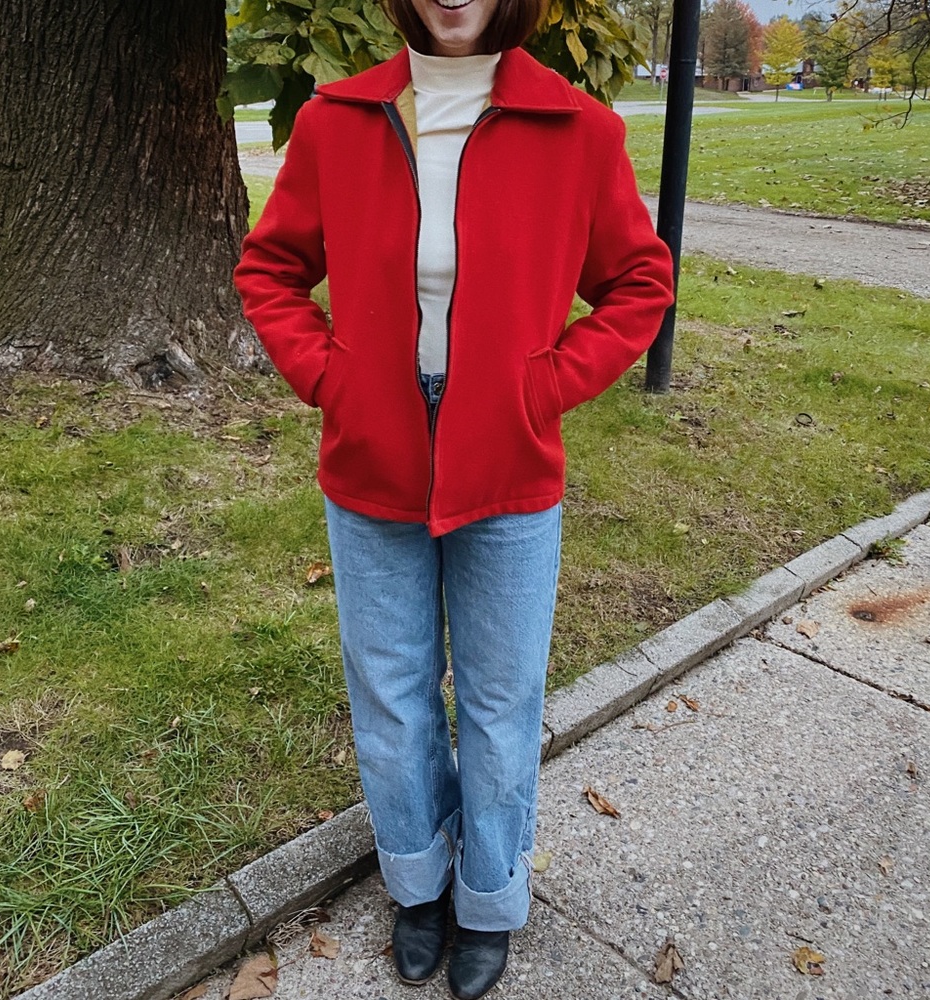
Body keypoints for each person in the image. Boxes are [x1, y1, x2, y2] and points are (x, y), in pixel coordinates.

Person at [234, 0, 675, 996]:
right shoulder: (336, 119)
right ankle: (418, 883)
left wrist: (544, 382)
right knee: (390, 695)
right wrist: (329, 374)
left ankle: (487, 897)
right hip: (373, 451)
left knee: (498, 696)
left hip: (508, 459)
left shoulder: (577, 128)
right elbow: (270, 270)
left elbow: (638, 281)